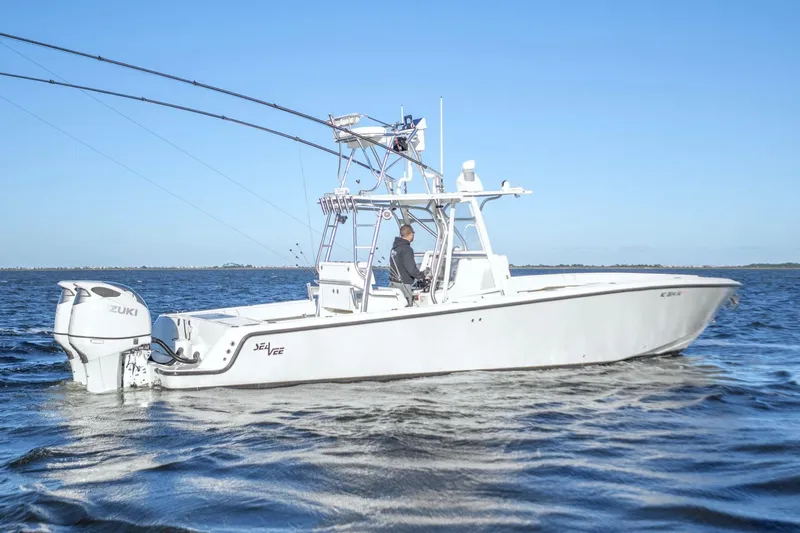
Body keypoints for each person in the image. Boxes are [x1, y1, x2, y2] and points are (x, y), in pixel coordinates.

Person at [390, 224, 426, 306]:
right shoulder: (406, 249)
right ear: (411, 234)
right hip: (404, 285)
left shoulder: (395, 247)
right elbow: (411, 269)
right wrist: (422, 276)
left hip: (393, 283)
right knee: (407, 307)